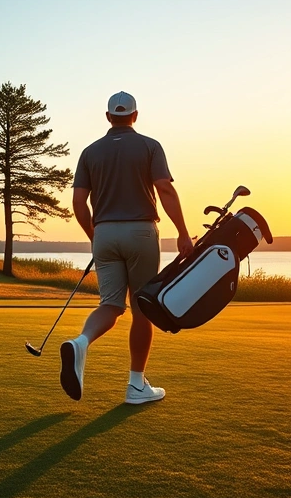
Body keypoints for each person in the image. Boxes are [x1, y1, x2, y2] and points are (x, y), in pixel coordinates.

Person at [61, 91, 194, 404]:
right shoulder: (150, 145)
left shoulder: (89, 152)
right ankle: (136, 386)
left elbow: (79, 202)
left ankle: (80, 343)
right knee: (140, 309)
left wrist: (95, 236)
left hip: (104, 233)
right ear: (135, 115)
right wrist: (183, 233)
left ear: (108, 117)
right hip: (141, 232)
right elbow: (164, 189)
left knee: (110, 305)